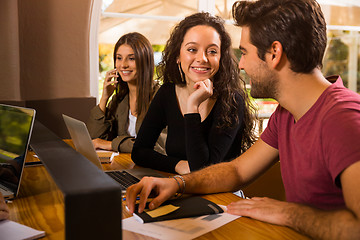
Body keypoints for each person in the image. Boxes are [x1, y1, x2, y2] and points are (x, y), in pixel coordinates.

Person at [126, 0, 360, 239]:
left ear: (274, 53)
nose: (240, 64)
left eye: (245, 52)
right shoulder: (286, 113)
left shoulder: (344, 118)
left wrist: (289, 213)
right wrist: (178, 184)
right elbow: (237, 171)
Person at [131, 12, 256, 174]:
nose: (202, 58)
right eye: (192, 49)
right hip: (180, 185)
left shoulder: (231, 101)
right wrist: (177, 164)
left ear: (221, 58)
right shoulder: (167, 93)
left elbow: (203, 170)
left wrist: (192, 107)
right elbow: (139, 152)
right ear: (178, 55)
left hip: (223, 195)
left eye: (212, 51)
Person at [87, 32, 165, 153]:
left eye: (131, 58)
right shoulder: (119, 99)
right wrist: (104, 98)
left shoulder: (161, 98)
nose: (123, 65)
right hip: (126, 165)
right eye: (119, 58)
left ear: (144, 61)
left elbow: (156, 147)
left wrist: (111, 144)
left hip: (153, 169)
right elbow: (95, 139)